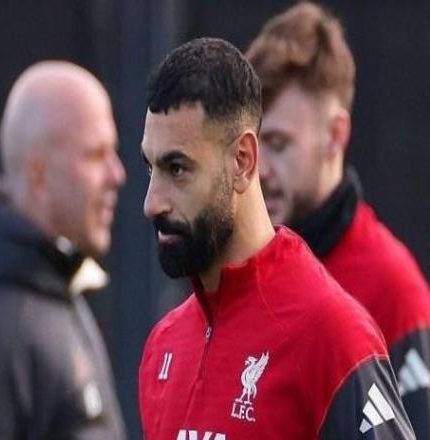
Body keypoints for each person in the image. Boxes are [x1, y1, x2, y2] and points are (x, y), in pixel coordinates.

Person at [138, 37, 414, 439]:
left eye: (177, 169)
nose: (152, 203)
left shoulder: (332, 336)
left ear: (242, 161)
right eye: (151, 169)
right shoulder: (163, 345)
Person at [246, 3, 430, 438]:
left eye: (278, 143)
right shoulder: (239, 271)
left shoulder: (392, 289)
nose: (258, 168)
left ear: (335, 135)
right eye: (250, 144)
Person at [0, 61, 127, 439]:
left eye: (113, 153)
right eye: (95, 155)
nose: (116, 175)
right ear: (39, 174)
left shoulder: (53, 292)